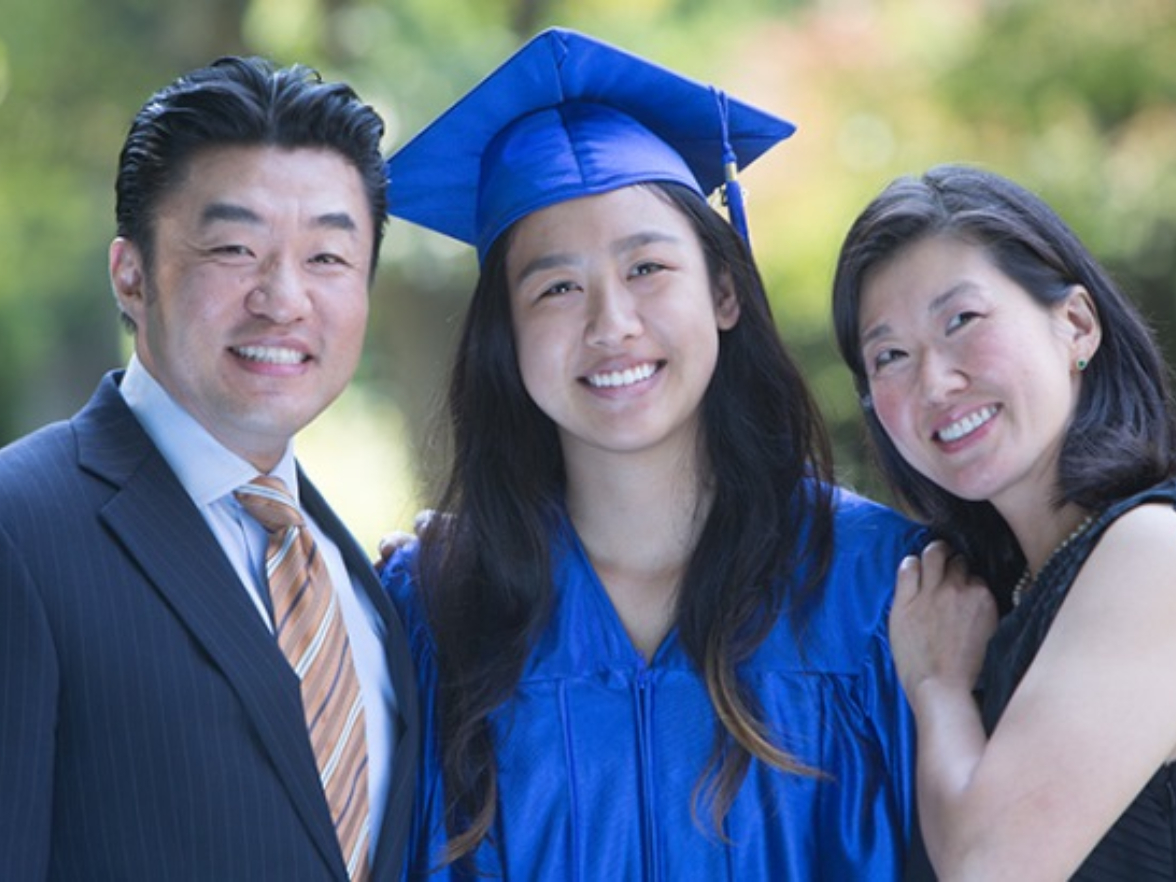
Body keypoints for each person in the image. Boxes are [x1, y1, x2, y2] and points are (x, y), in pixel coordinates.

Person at [379, 28, 926, 880]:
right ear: (506, 338)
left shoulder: (877, 587)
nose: (611, 325)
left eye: (647, 268)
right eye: (557, 287)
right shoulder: (434, 611)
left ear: (725, 293)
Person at [0, 56, 419, 880]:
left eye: (328, 259)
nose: (283, 297)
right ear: (131, 273)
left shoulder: (360, 585)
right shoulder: (21, 529)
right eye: (235, 247)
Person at [831, 163, 1176, 879]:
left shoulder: (1153, 553)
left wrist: (938, 690)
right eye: (889, 357)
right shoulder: (1009, 594)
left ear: (1076, 324)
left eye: (962, 320)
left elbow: (990, 869)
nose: (934, 382)